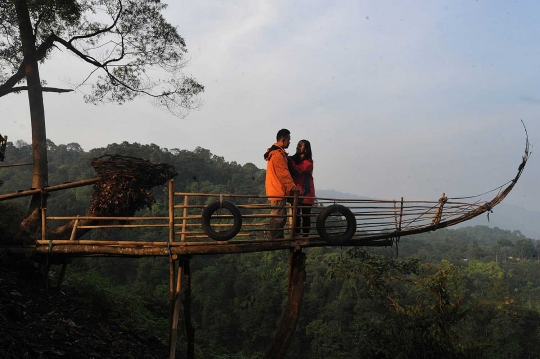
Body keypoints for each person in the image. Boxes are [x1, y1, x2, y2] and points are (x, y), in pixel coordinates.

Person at [264, 129, 299, 239]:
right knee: (278, 215)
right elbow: (284, 174)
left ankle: (278, 237)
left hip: (274, 189)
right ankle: (276, 238)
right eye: (289, 140)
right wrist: (293, 187)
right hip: (278, 190)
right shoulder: (278, 155)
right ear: (283, 140)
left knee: (278, 213)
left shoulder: (274, 153)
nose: (289, 142)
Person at [288, 140, 315, 236]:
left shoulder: (308, 163)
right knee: (296, 216)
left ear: (306, 150)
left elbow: (297, 170)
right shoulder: (295, 159)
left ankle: (305, 237)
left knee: (305, 216)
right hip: (297, 192)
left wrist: (288, 160)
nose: (297, 147)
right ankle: (297, 235)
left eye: (300, 146)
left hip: (306, 194)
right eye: (297, 145)